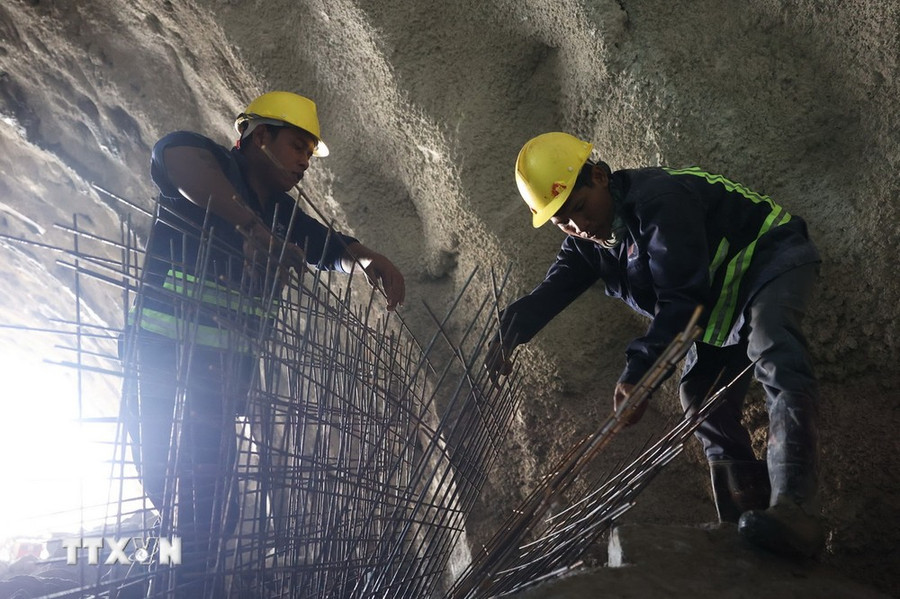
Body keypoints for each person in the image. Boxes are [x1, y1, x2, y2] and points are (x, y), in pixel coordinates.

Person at [487, 131, 824, 558]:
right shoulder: (588, 242)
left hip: (768, 258)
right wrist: (507, 335)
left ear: (599, 176)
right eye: (561, 220)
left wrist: (640, 372)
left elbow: (682, 299)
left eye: (578, 207)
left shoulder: (660, 200)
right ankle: (747, 528)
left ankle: (795, 512)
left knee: (774, 347)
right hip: (720, 299)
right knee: (699, 395)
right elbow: (550, 292)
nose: (578, 226)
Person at [120, 91, 405, 588]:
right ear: (259, 136)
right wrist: (252, 228)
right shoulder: (208, 165)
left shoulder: (283, 212)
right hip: (162, 364)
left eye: (310, 154)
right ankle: (169, 580)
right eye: (298, 146)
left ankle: (185, 584)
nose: (304, 162)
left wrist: (369, 260)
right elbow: (177, 162)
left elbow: (332, 249)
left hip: (219, 382)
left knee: (211, 512)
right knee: (171, 487)